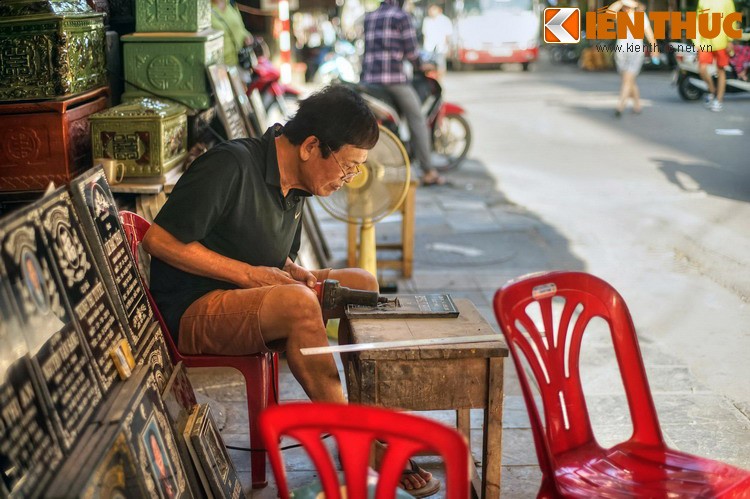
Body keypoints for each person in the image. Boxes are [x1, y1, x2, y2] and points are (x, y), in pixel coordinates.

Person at [143, 85, 439, 497]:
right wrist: (250, 275)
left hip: (249, 300)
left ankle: (369, 418)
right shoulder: (231, 165)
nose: (348, 180)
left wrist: (292, 270)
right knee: (299, 305)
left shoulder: (296, 187)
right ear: (311, 146)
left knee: (362, 285)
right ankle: (355, 441)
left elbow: (268, 252)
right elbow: (158, 241)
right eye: (347, 167)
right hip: (192, 310)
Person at [361, 0, 446, 186]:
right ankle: (428, 171)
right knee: (417, 118)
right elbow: (412, 53)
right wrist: (422, 65)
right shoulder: (401, 16)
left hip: (368, 81)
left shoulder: (370, 17)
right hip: (393, 81)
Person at [609, 0, 658, 117]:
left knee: (627, 79)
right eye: (625, 6)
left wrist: (654, 49)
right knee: (629, 80)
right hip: (621, 53)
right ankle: (637, 106)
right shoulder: (620, 16)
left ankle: (620, 106)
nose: (626, 8)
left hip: (635, 53)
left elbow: (649, 34)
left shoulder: (640, 16)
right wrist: (621, 2)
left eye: (628, 6)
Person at [695, 0, 738, 112]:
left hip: (721, 40)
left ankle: (718, 101)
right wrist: (696, 41)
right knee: (702, 69)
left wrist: (730, 40)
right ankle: (713, 91)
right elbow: (698, 20)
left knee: (721, 70)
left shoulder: (728, 1)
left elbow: (732, 18)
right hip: (705, 41)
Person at [211, 0, 254, 68]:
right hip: (220, 65)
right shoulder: (205, 9)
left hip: (239, 60)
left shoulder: (231, 4)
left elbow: (241, 27)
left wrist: (247, 36)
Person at [421, 4, 453, 78]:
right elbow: (424, 34)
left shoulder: (445, 20)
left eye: (433, 9)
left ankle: (440, 80)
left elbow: (447, 36)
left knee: (440, 65)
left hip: (440, 47)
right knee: (428, 66)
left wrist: (447, 48)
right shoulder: (427, 21)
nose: (431, 12)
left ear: (439, 10)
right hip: (428, 47)